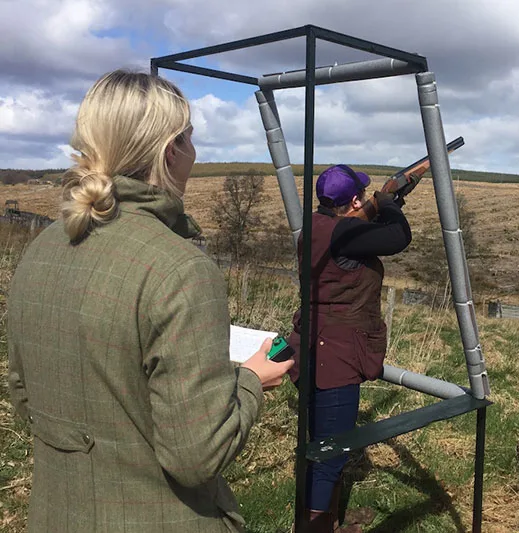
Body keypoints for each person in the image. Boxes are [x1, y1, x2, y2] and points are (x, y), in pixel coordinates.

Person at [6, 69, 294, 533]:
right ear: (171, 150)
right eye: (191, 137)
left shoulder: (43, 247)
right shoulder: (181, 269)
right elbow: (196, 456)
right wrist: (250, 381)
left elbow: (23, 393)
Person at [287, 164, 412, 532]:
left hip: (309, 348)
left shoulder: (314, 227)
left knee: (319, 449)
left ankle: (330, 521)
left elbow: (355, 236)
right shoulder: (345, 234)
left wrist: (383, 202)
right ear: (354, 200)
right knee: (330, 455)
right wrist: (389, 203)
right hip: (336, 357)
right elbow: (399, 237)